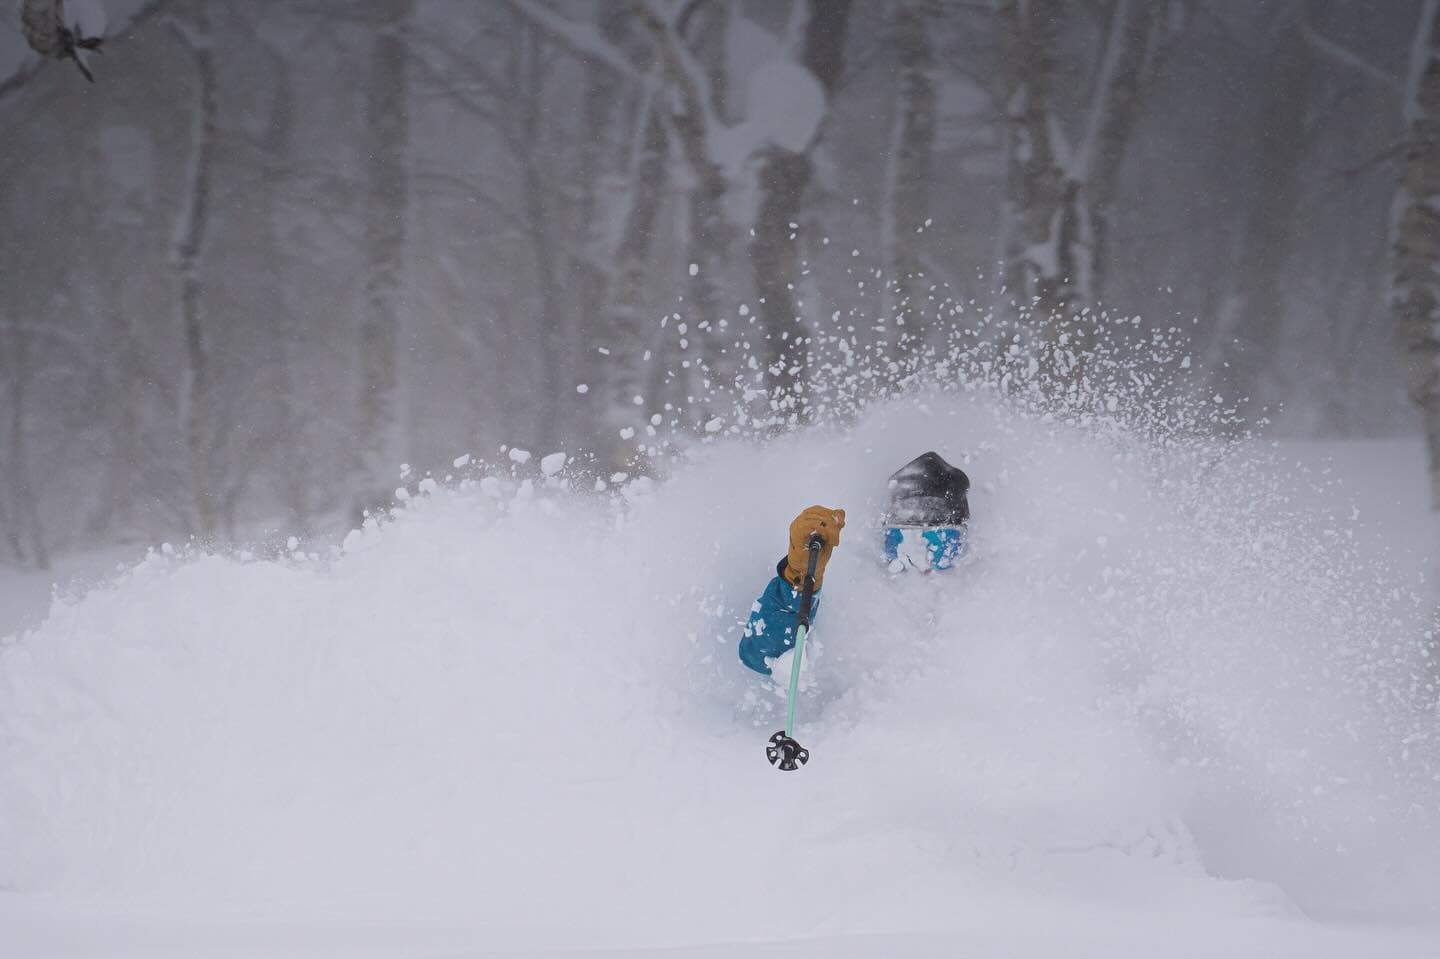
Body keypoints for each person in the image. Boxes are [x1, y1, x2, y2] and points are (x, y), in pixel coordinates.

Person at [737, 451, 970, 677]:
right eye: (899, 542)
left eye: (941, 545)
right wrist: (799, 581)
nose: (922, 565)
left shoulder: (983, 600)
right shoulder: (853, 598)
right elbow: (764, 658)